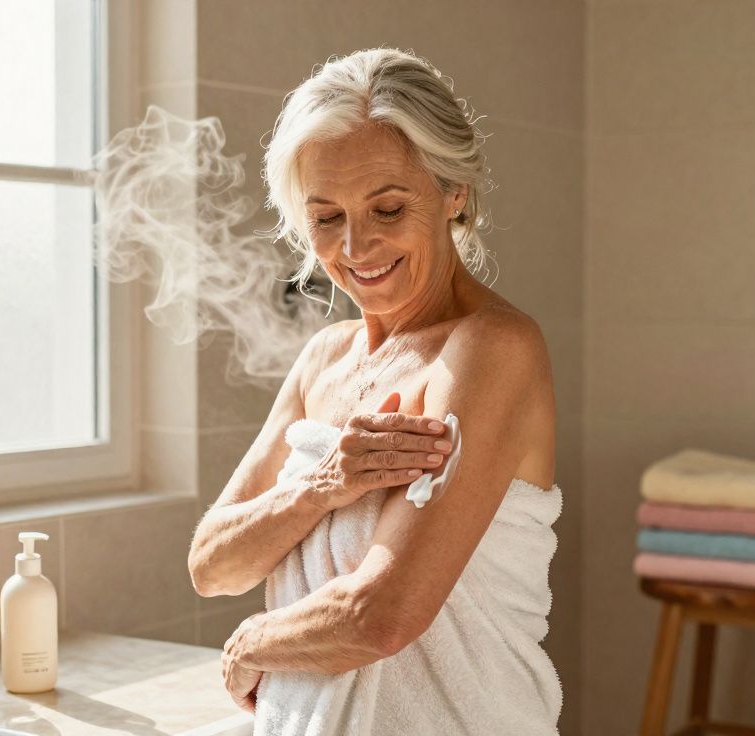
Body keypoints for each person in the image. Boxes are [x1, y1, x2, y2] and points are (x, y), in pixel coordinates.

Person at [187, 47, 564, 735]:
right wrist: (322, 486)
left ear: (454, 192)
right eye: (327, 218)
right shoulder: (324, 359)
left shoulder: (490, 349)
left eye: (387, 209)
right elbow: (213, 565)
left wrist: (252, 644)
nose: (356, 247)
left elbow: (381, 616)